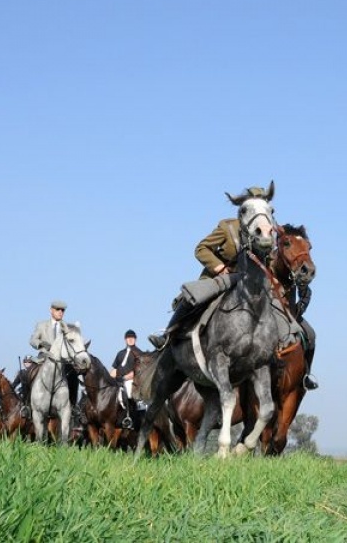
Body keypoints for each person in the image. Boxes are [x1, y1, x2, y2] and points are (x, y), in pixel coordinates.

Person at [147, 184, 272, 349]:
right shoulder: (227, 227)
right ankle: (168, 336)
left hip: (250, 282)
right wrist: (219, 267)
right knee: (192, 298)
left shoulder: (266, 232)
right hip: (221, 277)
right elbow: (201, 249)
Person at [28, 299, 81, 420]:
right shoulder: (41, 325)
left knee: (73, 376)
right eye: (58, 309)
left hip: (62, 361)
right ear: (51, 310)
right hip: (44, 358)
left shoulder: (66, 327)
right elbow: (32, 340)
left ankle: (73, 406)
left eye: (62, 310)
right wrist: (42, 344)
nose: (60, 312)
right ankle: (26, 405)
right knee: (28, 373)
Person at [110, 329, 141, 429]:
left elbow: (137, 371)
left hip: (131, 380)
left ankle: (129, 418)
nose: (130, 339)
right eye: (128, 338)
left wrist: (124, 378)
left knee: (128, 392)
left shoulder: (138, 353)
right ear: (125, 339)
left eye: (132, 338)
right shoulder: (120, 353)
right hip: (118, 380)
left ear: (135, 339)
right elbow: (115, 369)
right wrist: (108, 380)